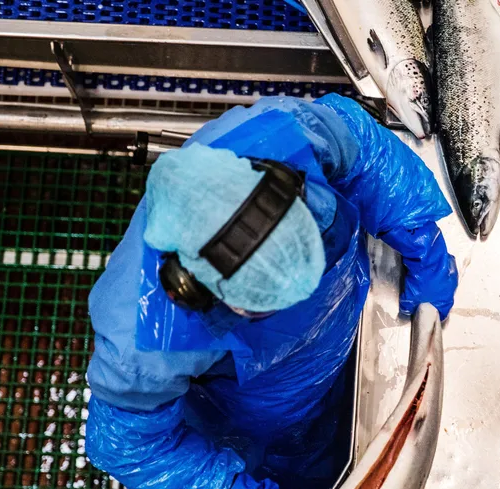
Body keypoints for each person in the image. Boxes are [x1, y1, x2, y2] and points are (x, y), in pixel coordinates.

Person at [84, 94, 459, 489]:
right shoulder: (142, 341)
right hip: (254, 406)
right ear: (197, 294)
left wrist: (419, 238)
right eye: (267, 303)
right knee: (287, 460)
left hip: (341, 337)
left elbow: (368, 155)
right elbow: (129, 446)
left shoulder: (282, 134)